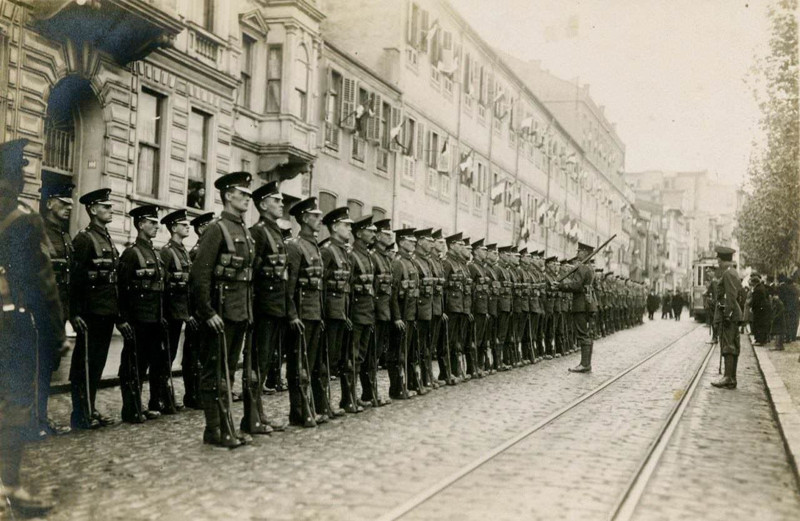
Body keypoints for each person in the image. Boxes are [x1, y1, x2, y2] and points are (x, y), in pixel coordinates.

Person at [0, 139, 66, 516]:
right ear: (15, 175)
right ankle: (8, 488)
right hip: (10, 325)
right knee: (13, 406)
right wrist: (56, 337)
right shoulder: (24, 220)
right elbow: (44, 287)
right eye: (22, 169)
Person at [191, 172, 263, 447]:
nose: (247, 198)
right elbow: (200, 274)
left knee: (229, 370)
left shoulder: (243, 230)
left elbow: (248, 276)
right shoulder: (216, 229)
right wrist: (207, 312)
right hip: (220, 313)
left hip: (239, 312)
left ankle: (225, 425)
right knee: (214, 371)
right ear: (228, 195)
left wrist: (248, 311)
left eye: (248, 194)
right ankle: (214, 429)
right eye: (242, 193)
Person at [70, 187, 132, 429]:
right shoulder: (84, 239)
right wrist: (74, 313)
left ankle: (90, 408)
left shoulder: (105, 237)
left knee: (96, 364)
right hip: (90, 313)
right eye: (106, 206)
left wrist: (117, 315)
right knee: (84, 364)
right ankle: (81, 414)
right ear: (93, 210)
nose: (111, 209)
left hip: (105, 312)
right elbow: (75, 280)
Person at [118, 204, 173, 421]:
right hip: (137, 320)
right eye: (152, 223)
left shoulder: (156, 254)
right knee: (133, 366)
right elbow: (121, 288)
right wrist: (121, 319)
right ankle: (131, 408)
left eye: (156, 222)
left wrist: (162, 317)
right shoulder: (131, 253)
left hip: (154, 320)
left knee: (153, 363)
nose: (156, 227)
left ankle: (147, 405)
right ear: (141, 225)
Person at [249, 181, 290, 430]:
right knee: (257, 364)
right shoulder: (258, 232)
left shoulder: (275, 232)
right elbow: (252, 273)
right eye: (276, 200)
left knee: (264, 365)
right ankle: (251, 417)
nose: (281, 204)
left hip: (276, 308)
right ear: (263, 204)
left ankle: (259, 413)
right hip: (263, 308)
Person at [37, 178, 75, 436]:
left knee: (49, 365)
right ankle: (36, 419)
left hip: (58, 311)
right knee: (37, 365)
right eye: (63, 203)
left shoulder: (64, 235)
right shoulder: (38, 231)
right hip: (40, 310)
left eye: (70, 204)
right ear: (49, 203)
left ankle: (40, 416)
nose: (68, 208)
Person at [285, 197, 326, 427]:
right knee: (298, 365)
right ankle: (299, 411)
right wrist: (292, 315)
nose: (319, 220)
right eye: (315, 216)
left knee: (308, 365)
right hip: (301, 314)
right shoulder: (295, 245)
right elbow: (289, 285)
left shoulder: (314, 245)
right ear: (304, 218)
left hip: (314, 313)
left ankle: (304, 408)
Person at [320, 207, 355, 414]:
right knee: (326, 359)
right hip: (330, 313)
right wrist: (324, 313)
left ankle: (331, 403)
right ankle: (324, 404)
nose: (349, 229)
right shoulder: (327, 251)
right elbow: (322, 285)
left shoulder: (343, 251)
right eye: (346, 225)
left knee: (337, 359)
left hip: (342, 312)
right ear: (334, 227)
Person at [159, 209, 194, 410]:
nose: (187, 226)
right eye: (183, 224)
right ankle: (164, 397)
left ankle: (168, 397)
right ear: (174, 228)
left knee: (170, 356)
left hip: (180, 312)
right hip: (170, 313)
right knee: (166, 356)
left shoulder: (182, 251)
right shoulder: (167, 251)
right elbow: (164, 286)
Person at [181, 211, 214, 409]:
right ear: (202, 229)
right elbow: (192, 286)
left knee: (203, 353)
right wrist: (191, 312)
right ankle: (192, 394)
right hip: (196, 311)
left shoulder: (207, 249)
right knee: (193, 354)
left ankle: (199, 392)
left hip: (204, 309)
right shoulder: (196, 252)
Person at [349, 215, 379, 406]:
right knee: (352, 357)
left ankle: (358, 395)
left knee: (360, 357)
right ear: (359, 233)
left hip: (367, 312)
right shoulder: (352, 255)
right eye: (369, 230)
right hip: (356, 313)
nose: (373, 234)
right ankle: (349, 397)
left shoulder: (368, 256)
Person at [389, 228, 419, 399]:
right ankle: (397, 388)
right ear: (401, 242)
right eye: (410, 240)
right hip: (402, 316)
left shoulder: (410, 262)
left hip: (410, 314)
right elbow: (393, 294)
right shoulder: (398, 263)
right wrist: (397, 317)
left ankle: (404, 385)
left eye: (414, 240)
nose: (413, 242)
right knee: (398, 354)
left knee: (406, 353)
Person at [368, 218, 394, 405]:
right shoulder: (373, 257)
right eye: (386, 234)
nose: (389, 236)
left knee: (375, 356)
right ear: (377, 236)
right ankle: (369, 393)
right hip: (375, 313)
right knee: (370, 356)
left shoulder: (385, 257)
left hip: (384, 313)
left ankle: (372, 392)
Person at [560, 242, 596, 373]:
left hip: (580, 304)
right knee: (587, 333)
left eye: (580, 251)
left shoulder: (582, 267)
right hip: (589, 303)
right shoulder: (590, 268)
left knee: (582, 334)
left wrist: (560, 286)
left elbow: (576, 286)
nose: (577, 254)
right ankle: (586, 363)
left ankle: (584, 364)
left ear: (586, 253)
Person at [711, 246, 743, 389]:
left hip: (729, 315)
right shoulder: (732, 272)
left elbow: (730, 296)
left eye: (718, 259)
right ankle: (731, 377)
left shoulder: (728, 274)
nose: (717, 262)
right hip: (732, 313)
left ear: (722, 259)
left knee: (728, 345)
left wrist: (727, 314)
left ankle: (728, 377)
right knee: (732, 344)